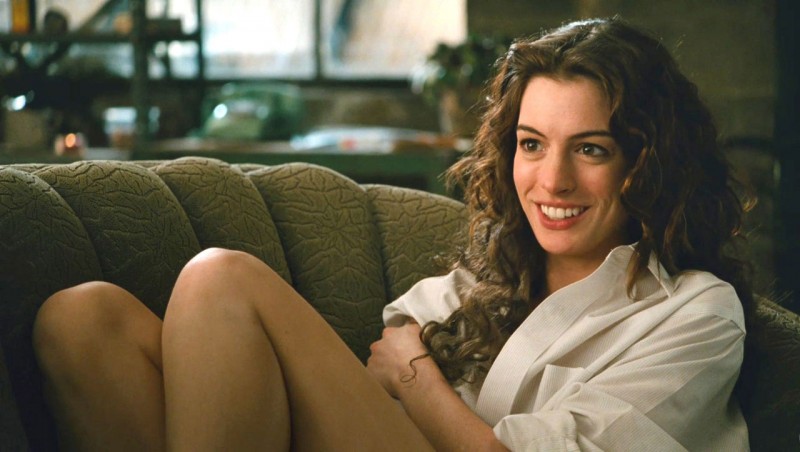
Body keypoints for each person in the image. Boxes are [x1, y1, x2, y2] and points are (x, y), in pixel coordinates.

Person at [32, 17, 752, 451]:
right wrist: (403, 373)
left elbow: (401, 373)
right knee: (82, 320)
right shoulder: (485, 278)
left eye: (590, 149)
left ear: (648, 163)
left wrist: (416, 376)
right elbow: (367, 377)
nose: (552, 180)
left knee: (222, 278)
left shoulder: (695, 312)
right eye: (532, 145)